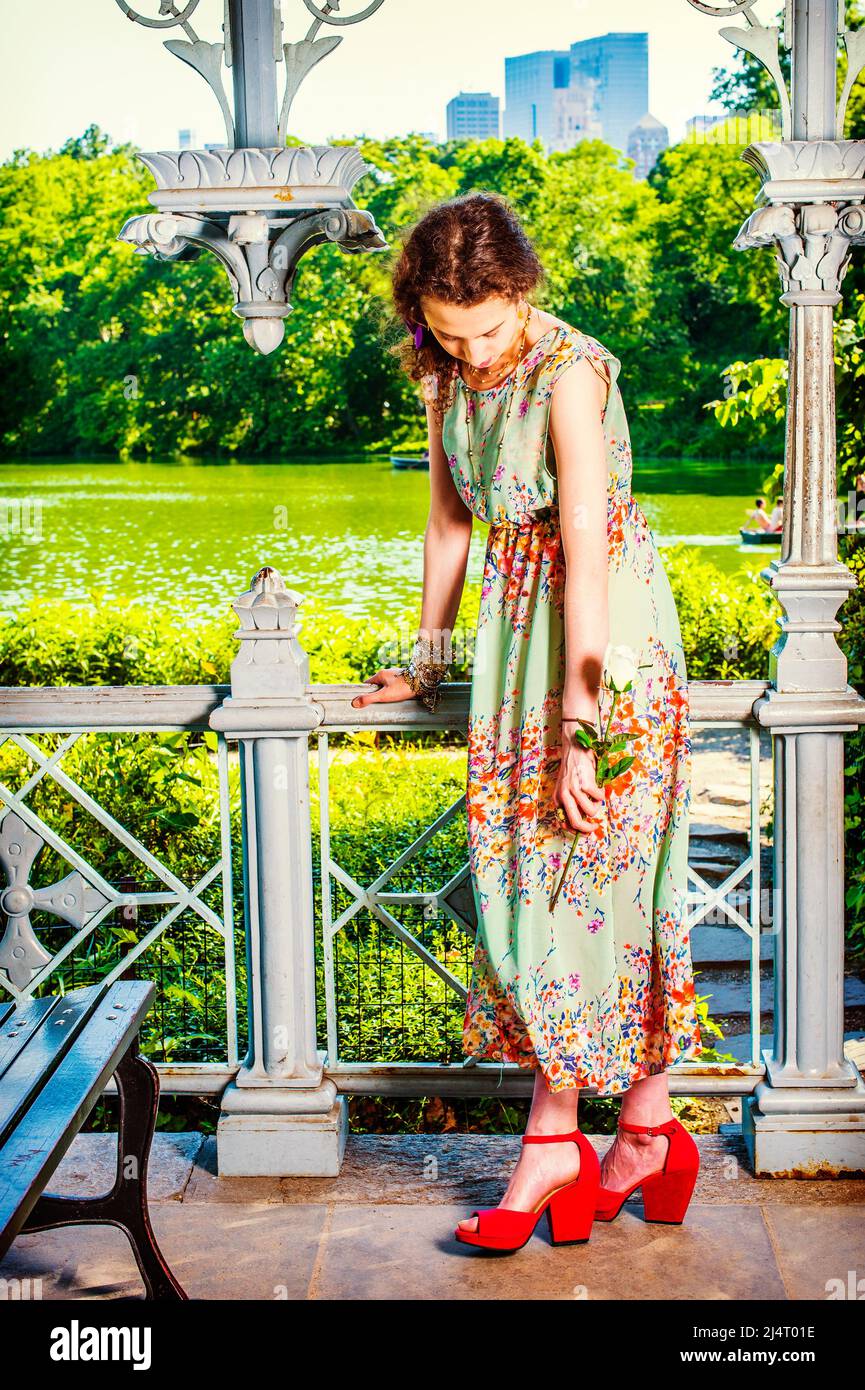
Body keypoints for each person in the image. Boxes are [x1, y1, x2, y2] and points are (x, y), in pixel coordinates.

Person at [351, 192, 701, 1252]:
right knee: (537, 882)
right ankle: (644, 1132)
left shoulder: (572, 372)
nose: (478, 353)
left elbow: (588, 546)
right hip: (512, 646)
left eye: (492, 329)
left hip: (603, 649)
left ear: (523, 295)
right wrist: (427, 659)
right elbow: (449, 519)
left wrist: (579, 724)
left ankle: (555, 1143)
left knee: (582, 881)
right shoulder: (444, 369)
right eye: (452, 334)